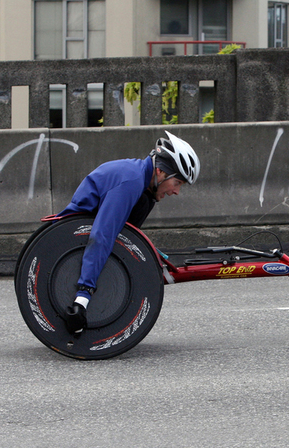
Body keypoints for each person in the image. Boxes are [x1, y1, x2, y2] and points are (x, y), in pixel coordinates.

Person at [57, 131, 200, 334]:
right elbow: (101, 235)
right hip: (73, 239)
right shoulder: (130, 181)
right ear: (160, 171)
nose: (176, 191)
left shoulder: (143, 185)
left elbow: (126, 235)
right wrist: (83, 295)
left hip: (93, 232)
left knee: (146, 201)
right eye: (177, 183)